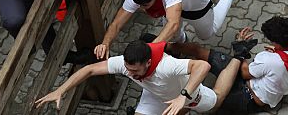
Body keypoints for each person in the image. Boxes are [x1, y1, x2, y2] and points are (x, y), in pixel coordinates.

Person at [35, 40, 216, 114]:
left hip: (188, 94)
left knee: (216, 100)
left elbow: (202, 65)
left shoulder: (166, 66)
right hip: (155, 94)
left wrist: (183, 97)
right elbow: (89, 69)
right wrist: (60, 90)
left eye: (135, 71)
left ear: (148, 62)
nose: (130, 74)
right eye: (128, 69)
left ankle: (233, 63)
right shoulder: (125, 64)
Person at [93, 0, 250, 60]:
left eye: (145, 6)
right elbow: (116, 24)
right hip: (174, 9)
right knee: (173, 36)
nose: (140, 9)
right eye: (138, 5)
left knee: (208, 33)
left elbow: (173, 24)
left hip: (196, 4)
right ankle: (182, 47)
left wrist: (149, 49)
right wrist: (105, 43)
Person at [171, 16, 288, 113]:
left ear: (275, 43)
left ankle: (166, 47)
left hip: (246, 98)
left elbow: (244, 72)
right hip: (255, 95)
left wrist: (241, 47)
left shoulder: (267, 59)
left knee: (200, 101)